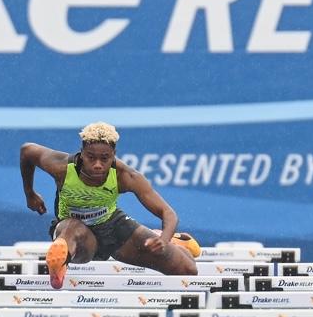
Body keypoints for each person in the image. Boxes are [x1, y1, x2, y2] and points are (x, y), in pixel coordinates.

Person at [20, 122, 201, 289]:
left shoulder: (125, 176)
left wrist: (164, 240)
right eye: (91, 157)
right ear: (81, 152)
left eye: (104, 159)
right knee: (72, 228)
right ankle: (60, 263)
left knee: (188, 270)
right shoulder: (62, 168)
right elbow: (27, 151)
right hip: (77, 233)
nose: (97, 165)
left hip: (113, 227)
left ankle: (175, 242)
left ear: (114, 155)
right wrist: (30, 194)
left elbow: (168, 213)